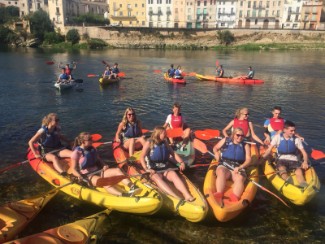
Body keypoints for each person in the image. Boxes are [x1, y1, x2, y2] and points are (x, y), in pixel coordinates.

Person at [69, 132, 141, 196]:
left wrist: (104, 165)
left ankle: (133, 187)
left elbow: (99, 159)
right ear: (83, 142)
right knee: (104, 182)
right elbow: (73, 169)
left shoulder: (92, 148)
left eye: (91, 138)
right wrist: (79, 176)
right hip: (88, 175)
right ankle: (124, 195)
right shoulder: (76, 153)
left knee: (117, 170)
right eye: (89, 139)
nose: (92, 140)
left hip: (98, 171)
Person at [140, 126, 195, 201]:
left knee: (174, 174)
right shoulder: (149, 142)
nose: (166, 135)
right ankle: (176, 197)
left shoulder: (165, 142)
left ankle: (187, 195)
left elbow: (173, 154)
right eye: (164, 134)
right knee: (157, 178)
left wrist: (181, 163)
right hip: (153, 169)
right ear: (158, 134)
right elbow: (142, 157)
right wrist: (146, 169)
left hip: (164, 167)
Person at [261, 120, 308, 187]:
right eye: (291, 131)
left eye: (294, 130)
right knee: (282, 169)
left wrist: (305, 162)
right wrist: (262, 158)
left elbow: (304, 153)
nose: (293, 132)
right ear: (285, 130)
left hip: (293, 159)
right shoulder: (277, 138)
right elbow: (269, 150)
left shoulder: (296, 139)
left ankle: (303, 183)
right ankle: (288, 181)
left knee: (299, 171)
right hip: (281, 159)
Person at [213, 128, 252, 202]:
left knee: (240, 178)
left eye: (242, 135)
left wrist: (241, 167)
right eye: (238, 135)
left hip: (238, 167)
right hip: (225, 164)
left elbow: (248, 159)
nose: (240, 137)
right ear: (233, 135)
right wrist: (216, 153)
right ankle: (219, 192)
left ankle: (235, 196)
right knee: (221, 171)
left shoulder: (245, 145)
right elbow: (215, 148)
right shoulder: (226, 140)